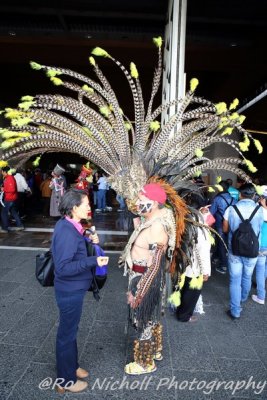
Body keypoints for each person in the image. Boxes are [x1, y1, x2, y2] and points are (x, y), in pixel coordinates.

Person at [52, 189, 108, 393]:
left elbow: (74, 249)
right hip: (69, 292)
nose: (89, 207)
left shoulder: (72, 225)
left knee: (71, 331)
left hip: (73, 289)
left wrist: (86, 239)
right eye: (86, 204)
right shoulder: (66, 230)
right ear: (74, 208)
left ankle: (72, 367)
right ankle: (65, 381)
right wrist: (93, 260)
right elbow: (63, 267)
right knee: (66, 335)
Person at [121, 183, 173, 375]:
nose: (137, 203)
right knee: (150, 317)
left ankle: (145, 362)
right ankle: (155, 349)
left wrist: (140, 292)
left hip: (144, 278)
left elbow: (155, 264)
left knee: (142, 318)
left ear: (154, 203)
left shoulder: (157, 226)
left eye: (142, 200)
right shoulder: (153, 217)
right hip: (141, 274)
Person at [223, 183, 265, 320]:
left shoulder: (231, 209)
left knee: (235, 280)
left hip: (235, 249)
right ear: (254, 195)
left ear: (240, 194)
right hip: (253, 250)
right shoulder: (260, 210)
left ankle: (235, 311)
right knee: (247, 276)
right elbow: (258, 228)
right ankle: (242, 298)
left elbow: (225, 229)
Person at [209, 180, 236, 274]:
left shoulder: (217, 199)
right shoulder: (233, 199)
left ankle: (223, 265)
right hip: (231, 225)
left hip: (220, 224)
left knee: (221, 244)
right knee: (226, 243)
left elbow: (211, 212)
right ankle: (216, 257)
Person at [252, 186, 267, 305]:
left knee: (260, 270)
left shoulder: (259, 210)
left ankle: (261, 296)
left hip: (262, 245)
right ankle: (260, 284)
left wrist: (260, 205)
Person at [0, 166, 24, 233]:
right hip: (12, 198)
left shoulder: (10, 178)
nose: (1, 173)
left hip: (9, 198)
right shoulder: (8, 178)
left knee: (4, 213)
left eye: (2, 171)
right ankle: (20, 225)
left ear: (5, 172)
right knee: (13, 212)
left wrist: (3, 189)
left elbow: (12, 189)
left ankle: (5, 228)